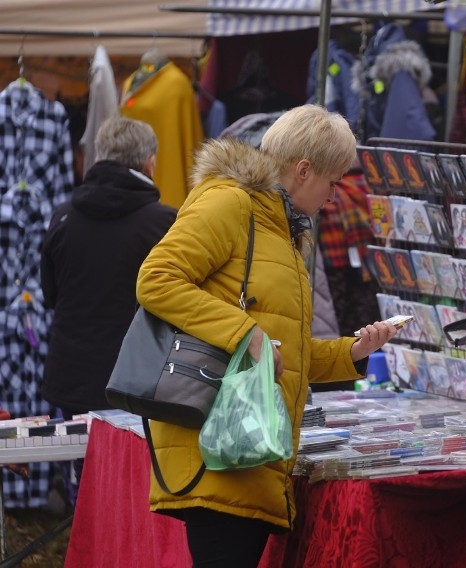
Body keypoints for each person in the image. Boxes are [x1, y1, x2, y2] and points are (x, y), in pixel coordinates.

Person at [135, 104, 398, 567]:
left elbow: (282, 353)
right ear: (302, 170)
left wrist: (353, 352)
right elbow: (156, 280)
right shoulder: (231, 203)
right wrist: (247, 334)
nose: (335, 197)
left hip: (246, 456)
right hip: (219, 451)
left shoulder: (281, 229)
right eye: (334, 182)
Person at [41, 117, 176, 423]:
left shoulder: (62, 218)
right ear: (149, 164)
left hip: (72, 377)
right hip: (140, 379)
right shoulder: (166, 224)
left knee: (84, 466)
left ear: (99, 158)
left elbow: (51, 296)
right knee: (134, 470)